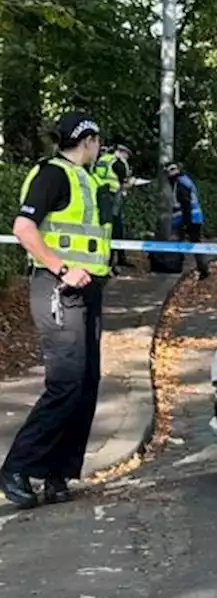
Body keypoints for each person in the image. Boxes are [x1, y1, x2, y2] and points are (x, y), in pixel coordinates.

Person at [1, 111, 111, 509]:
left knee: (87, 383)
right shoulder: (53, 173)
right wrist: (61, 267)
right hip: (58, 288)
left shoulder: (85, 178)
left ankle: (57, 475)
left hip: (87, 289)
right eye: (97, 141)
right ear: (88, 139)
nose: (99, 148)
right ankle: (17, 467)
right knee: (65, 383)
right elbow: (23, 228)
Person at [165, 161, 210, 279]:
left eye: (171, 170)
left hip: (187, 219)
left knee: (179, 242)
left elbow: (186, 204)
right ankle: (203, 269)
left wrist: (186, 222)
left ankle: (177, 266)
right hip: (194, 218)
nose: (169, 173)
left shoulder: (180, 184)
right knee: (196, 244)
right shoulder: (186, 180)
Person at [92, 143, 132, 268]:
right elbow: (124, 182)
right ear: (123, 153)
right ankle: (113, 260)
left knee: (105, 225)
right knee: (116, 226)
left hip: (100, 194)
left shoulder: (102, 159)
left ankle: (112, 258)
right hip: (114, 196)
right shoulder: (119, 163)